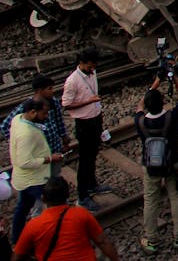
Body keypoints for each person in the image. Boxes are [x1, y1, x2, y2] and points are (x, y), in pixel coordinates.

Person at [135, 71, 178, 253]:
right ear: (163, 101)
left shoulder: (140, 121)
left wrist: (156, 81)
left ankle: (151, 239)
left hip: (150, 165)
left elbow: (140, 104)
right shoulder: (172, 116)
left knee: (150, 201)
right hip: (172, 163)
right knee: (176, 197)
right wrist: (175, 78)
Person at [12, 176, 120, 261]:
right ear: (67, 196)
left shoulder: (33, 225)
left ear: (43, 198)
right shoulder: (81, 214)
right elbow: (103, 242)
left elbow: (17, 256)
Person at [61, 47, 109, 210]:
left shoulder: (92, 73)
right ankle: (82, 196)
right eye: (90, 66)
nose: (92, 69)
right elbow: (66, 104)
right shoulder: (72, 81)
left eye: (94, 66)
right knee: (85, 160)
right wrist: (89, 101)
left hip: (95, 117)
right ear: (82, 63)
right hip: (84, 122)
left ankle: (92, 185)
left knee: (93, 154)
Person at [8, 99, 60, 244]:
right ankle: (53, 236)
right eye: (44, 113)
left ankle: (17, 238)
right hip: (34, 179)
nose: (46, 116)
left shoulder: (18, 119)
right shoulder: (27, 133)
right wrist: (49, 159)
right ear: (32, 112)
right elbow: (25, 162)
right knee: (54, 207)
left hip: (23, 179)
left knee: (23, 207)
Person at [1, 75, 69, 179]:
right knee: (41, 180)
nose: (52, 91)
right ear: (39, 90)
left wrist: (64, 139)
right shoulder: (27, 106)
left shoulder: (54, 102)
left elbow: (59, 123)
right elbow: (5, 126)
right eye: (49, 88)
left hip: (54, 148)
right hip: (38, 154)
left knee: (54, 176)